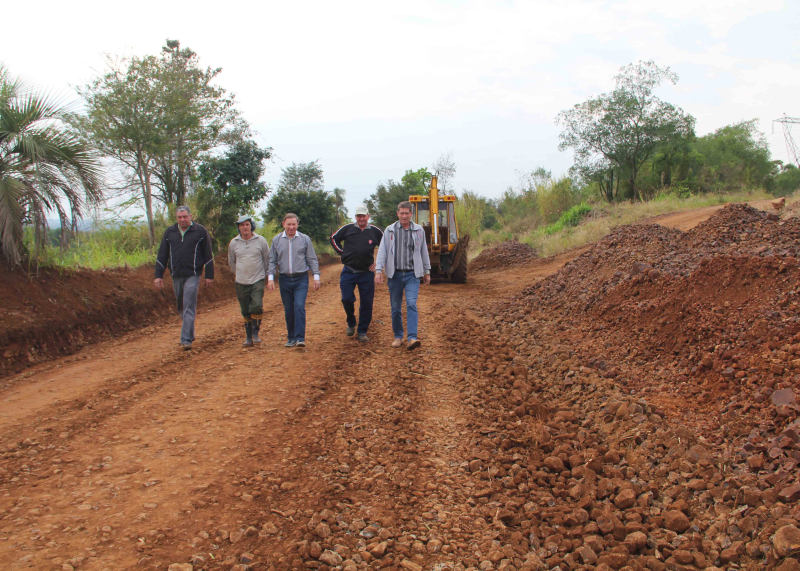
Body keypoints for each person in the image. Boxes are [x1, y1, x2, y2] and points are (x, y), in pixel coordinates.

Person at [154, 206, 214, 350]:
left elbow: (208, 254)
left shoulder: (200, 231)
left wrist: (209, 276)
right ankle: (190, 332)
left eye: (185, 217)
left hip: (193, 274)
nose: (182, 220)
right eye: (179, 217)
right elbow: (162, 254)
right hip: (176, 275)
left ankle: (186, 339)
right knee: (181, 306)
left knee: (188, 305)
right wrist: (158, 275)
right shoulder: (170, 232)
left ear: (190, 216)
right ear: (176, 218)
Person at [375, 201, 431, 350]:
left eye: (407, 213)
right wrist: (379, 270)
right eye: (402, 213)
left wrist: (427, 271)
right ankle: (398, 336)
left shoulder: (419, 230)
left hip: (412, 274)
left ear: (411, 214)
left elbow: (423, 251)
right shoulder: (389, 230)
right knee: (395, 307)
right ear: (397, 214)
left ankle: (412, 338)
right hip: (395, 275)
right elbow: (382, 251)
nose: (404, 216)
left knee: (411, 303)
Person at [330, 205, 383, 343]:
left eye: (363, 216)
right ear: (356, 217)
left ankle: (362, 331)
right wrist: (343, 253)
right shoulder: (348, 229)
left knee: (366, 303)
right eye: (358, 216)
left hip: (367, 273)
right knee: (346, 299)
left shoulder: (375, 231)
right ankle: (351, 321)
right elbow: (334, 238)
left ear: (368, 216)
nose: (361, 218)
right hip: (349, 270)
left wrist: (378, 262)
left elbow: (386, 246)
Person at [267, 213, 321, 348]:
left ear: (297, 224)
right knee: (289, 309)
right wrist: (270, 278)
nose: (291, 227)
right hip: (284, 279)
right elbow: (272, 260)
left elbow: (312, 258)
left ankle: (300, 338)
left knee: (299, 306)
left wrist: (316, 276)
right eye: (288, 224)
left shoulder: (304, 239)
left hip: (301, 279)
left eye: (294, 224)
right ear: (283, 224)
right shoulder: (276, 240)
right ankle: (291, 337)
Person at [228, 214, 270, 347]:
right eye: (242, 225)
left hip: (257, 279)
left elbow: (267, 259)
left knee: (256, 305)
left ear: (251, 225)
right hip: (241, 281)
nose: (245, 227)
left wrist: (266, 276)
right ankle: (248, 336)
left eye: (247, 224)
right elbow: (232, 262)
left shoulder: (261, 241)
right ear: (238, 228)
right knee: (245, 309)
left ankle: (256, 332)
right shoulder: (234, 243)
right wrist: (239, 274)